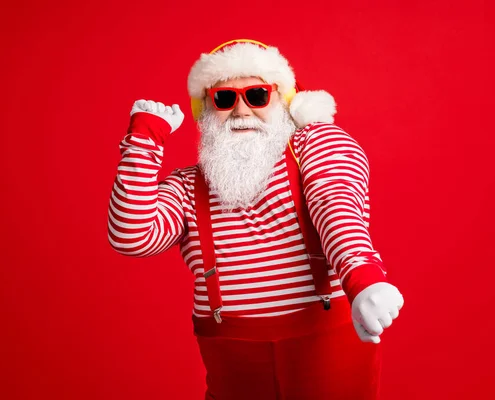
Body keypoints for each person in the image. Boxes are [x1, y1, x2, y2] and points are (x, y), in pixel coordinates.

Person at [107, 39, 404, 400]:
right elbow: (130, 236)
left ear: (283, 100)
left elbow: (335, 202)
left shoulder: (315, 144)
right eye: (225, 98)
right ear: (205, 110)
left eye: (258, 95)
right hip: (233, 363)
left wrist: (364, 278)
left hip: (326, 349)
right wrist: (144, 140)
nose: (242, 111)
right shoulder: (187, 185)